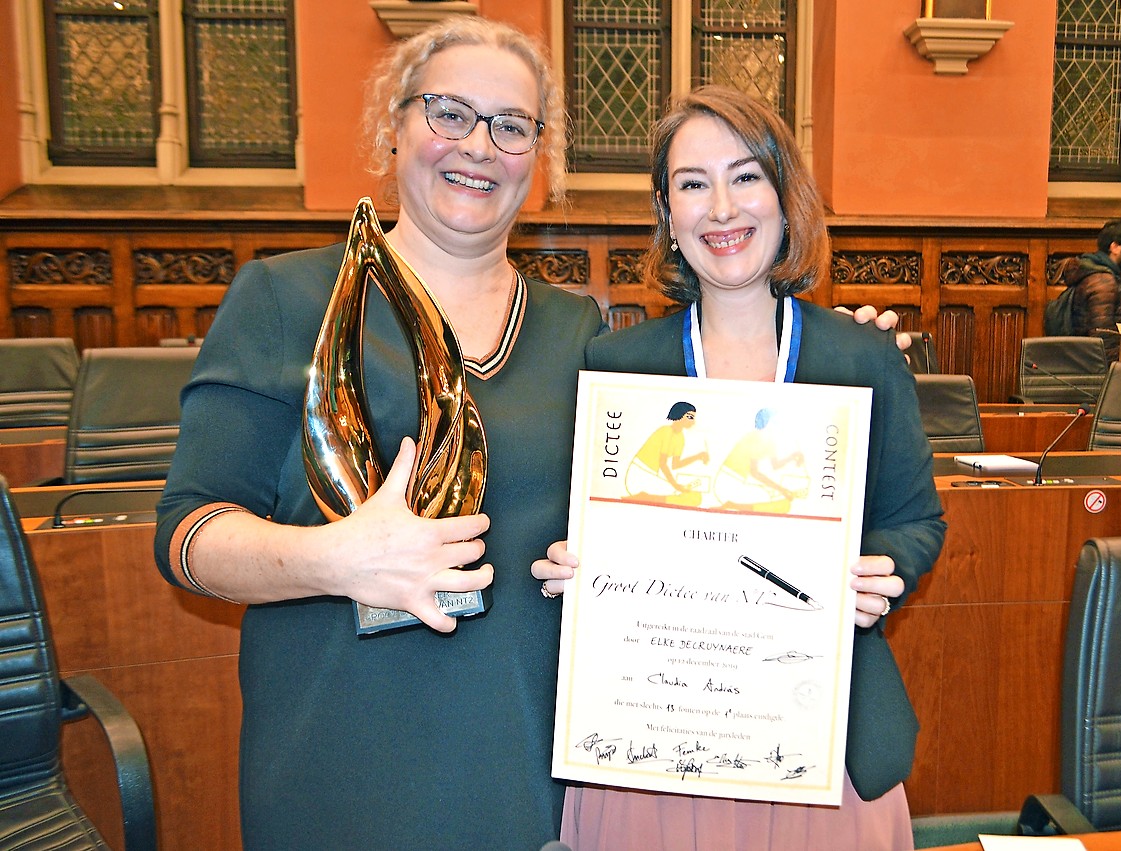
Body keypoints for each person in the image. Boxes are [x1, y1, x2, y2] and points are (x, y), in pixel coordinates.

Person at [153, 18, 907, 849]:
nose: (479, 145)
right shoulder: (283, 300)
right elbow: (187, 535)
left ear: (536, 160)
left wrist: (835, 358)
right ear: (392, 128)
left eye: (510, 126)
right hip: (346, 767)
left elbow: (688, 498)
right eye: (448, 113)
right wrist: (329, 558)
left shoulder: (577, 333)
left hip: (538, 776)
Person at [533, 85, 946, 851]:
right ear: (668, 213)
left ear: (785, 196)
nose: (722, 208)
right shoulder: (618, 366)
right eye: (693, 184)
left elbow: (917, 518)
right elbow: (578, 532)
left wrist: (882, 568)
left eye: (746, 176)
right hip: (652, 746)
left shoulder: (860, 357)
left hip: (819, 739)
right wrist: (570, 566)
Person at [1061, 218, 1121, 362]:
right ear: (1115, 247)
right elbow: (1103, 342)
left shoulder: (1099, 275)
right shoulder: (1103, 283)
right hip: (1102, 374)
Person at [622, 401, 711, 505]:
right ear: (679, 415)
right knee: (691, 498)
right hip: (640, 474)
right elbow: (662, 464)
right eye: (690, 417)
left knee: (695, 497)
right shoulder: (666, 431)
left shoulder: (680, 437)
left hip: (651, 475)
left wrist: (698, 456)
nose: (693, 422)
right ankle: (643, 497)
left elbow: (676, 465)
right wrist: (676, 486)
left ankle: (645, 497)